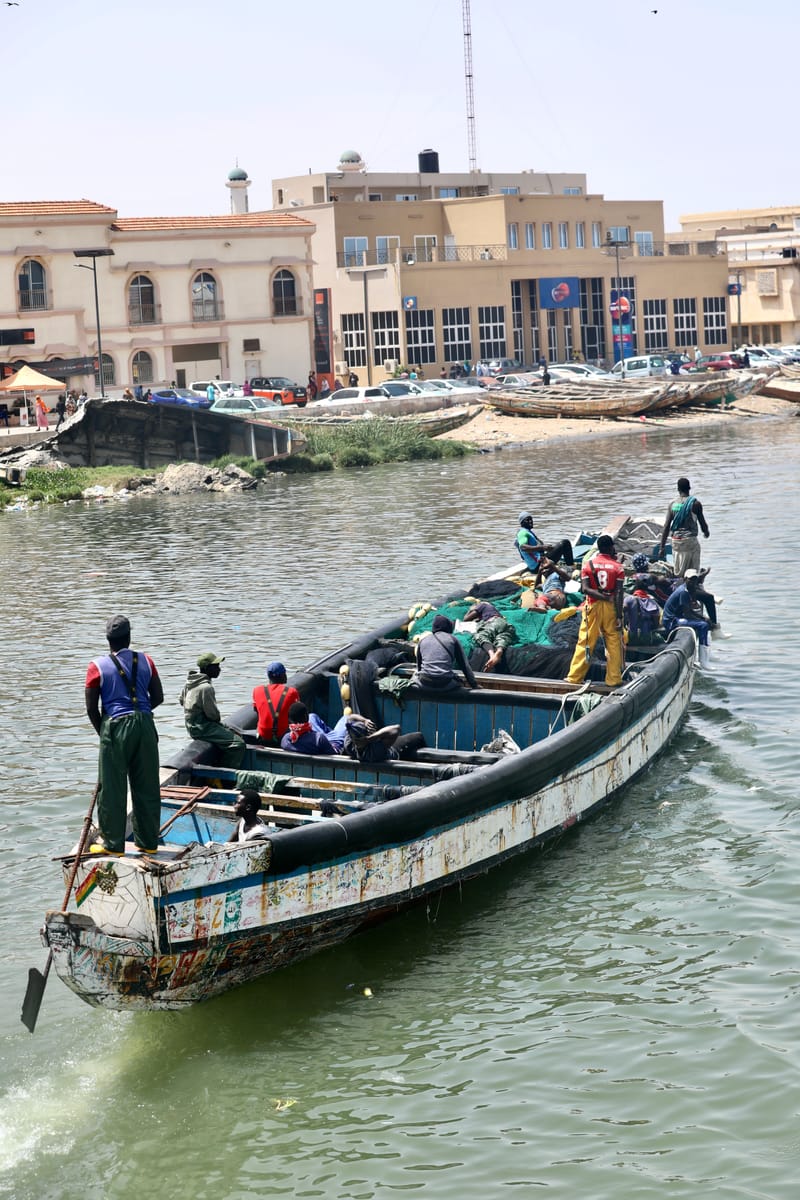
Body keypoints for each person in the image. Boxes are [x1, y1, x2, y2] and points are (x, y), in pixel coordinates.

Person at [84, 614, 164, 855]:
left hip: (115, 725)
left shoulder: (96, 666)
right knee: (147, 785)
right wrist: (141, 715)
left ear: (108, 640)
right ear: (129, 637)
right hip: (145, 725)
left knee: (113, 788)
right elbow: (158, 697)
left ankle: (113, 844)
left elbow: (91, 708)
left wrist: (105, 733)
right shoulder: (147, 661)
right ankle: (148, 843)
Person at [565, 534, 625, 688]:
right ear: (610, 547)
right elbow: (618, 593)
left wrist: (601, 596)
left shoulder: (588, 565)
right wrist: (619, 616)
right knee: (613, 641)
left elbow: (585, 589)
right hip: (610, 607)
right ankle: (613, 679)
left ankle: (575, 677)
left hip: (592, 605)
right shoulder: (618, 567)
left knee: (586, 641)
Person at [179, 652, 245, 767]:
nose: (219, 669)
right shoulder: (206, 688)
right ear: (206, 668)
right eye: (216, 667)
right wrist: (221, 727)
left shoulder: (190, 682)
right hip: (202, 727)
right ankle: (226, 774)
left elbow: (181, 700)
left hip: (191, 725)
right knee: (238, 744)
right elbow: (213, 715)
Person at [658, 476, 710, 576]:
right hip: (690, 541)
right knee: (693, 570)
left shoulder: (672, 504)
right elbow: (702, 523)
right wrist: (706, 532)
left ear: (678, 489)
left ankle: (679, 584)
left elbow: (667, 526)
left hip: (676, 542)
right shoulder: (695, 504)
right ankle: (694, 584)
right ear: (689, 488)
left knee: (679, 570)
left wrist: (662, 547)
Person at [412, 614, 477, 690]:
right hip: (444, 682)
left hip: (425, 681)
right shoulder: (453, 640)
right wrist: (474, 685)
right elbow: (465, 666)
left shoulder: (423, 640)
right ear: (448, 628)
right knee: (460, 682)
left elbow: (419, 667)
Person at [662, 573, 711, 667]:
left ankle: (707, 653)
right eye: (690, 579)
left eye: (694, 579)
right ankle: (703, 660)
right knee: (703, 625)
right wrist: (702, 618)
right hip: (671, 621)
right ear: (685, 579)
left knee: (705, 622)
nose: (693, 582)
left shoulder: (687, 589)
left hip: (677, 617)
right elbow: (688, 614)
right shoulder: (683, 591)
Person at [252, 661, 300, 744]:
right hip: (283, 736)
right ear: (282, 675)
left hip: (263, 736)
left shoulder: (257, 690)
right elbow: (297, 714)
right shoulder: (292, 692)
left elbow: (257, 711)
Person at [342, 715, 425, 763]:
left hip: (383, 742)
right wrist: (370, 738)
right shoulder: (373, 752)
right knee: (418, 736)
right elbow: (396, 729)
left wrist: (365, 720)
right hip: (394, 751)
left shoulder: (348, 743)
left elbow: (350, 718)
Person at [462, 600, 515, 672]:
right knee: (502, 638)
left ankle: (492, 655)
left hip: (493, 622)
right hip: (506, 625)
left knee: (481, 636)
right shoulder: (495, 611)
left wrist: (470, 610)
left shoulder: (482, 605)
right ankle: (499, 650)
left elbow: (465, 619)